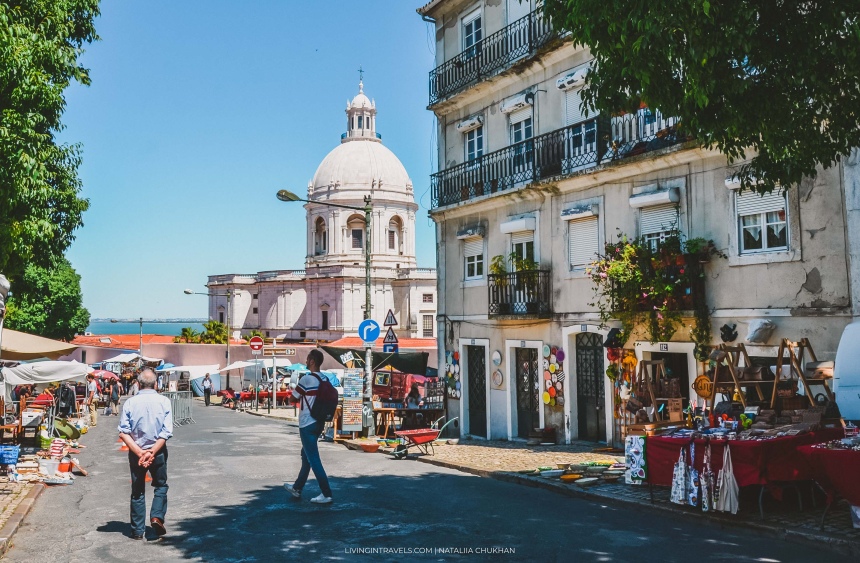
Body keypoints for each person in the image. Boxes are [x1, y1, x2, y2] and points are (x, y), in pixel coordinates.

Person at [118, 369, 172, 540]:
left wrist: (141, 452)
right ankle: (156, 516)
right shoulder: (164, 401)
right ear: (156, 384)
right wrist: (152, 452)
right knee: (160, 486)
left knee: (137, 490)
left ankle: (137, 531)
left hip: (136, 452)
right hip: (158, 451)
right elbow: (166, 432)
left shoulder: (130, 403)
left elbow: (123, 433)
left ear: (138, 384)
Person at [284, 349, 333, 504]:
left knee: (313, 459)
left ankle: (326, 493)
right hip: (319, 422)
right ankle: (297, 488)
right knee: (306, 455)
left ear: (312, 361)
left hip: (307, 423)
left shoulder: (306, 379)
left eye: (307, 359)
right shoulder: (325, 378)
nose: (306, 361)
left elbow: (293, 398)